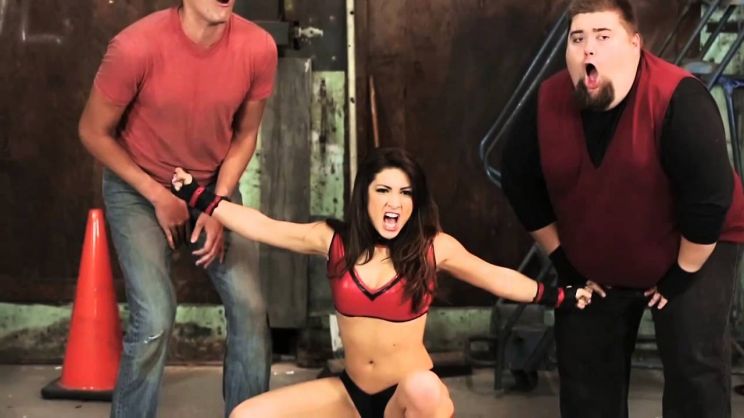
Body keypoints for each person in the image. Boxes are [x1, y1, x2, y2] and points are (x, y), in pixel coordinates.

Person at [170, 147, 592, 418]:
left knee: (424, 387)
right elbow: (263, 227)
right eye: (384, 190)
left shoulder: (432, 248)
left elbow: (495, 277)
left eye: (406, 193)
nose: (395, 202)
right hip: (350, 393)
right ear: (364, 195)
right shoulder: (333, 241)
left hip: (407, 400)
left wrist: (561, 296)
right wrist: (198, 197)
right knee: (246, 415)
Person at [501, 1, 744, 417]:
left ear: (635, 45)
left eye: (603, 36)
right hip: (600, 251)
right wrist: (566, 264)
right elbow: (518, 182)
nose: (588, 48)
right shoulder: (547, 102)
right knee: (585, 366)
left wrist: (680, 276)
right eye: (578, 38)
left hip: (694, 244)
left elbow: (711, 200)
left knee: (693, 361)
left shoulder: (678, 98)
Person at [78, 1, 278, 417]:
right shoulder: (135, 47)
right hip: (139, 186)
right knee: (154, 316)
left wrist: (216, 202)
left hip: (212, 187)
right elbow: (93, 131)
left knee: (250, 308)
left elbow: (245, 135)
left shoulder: (258, 47)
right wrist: (156, 194)